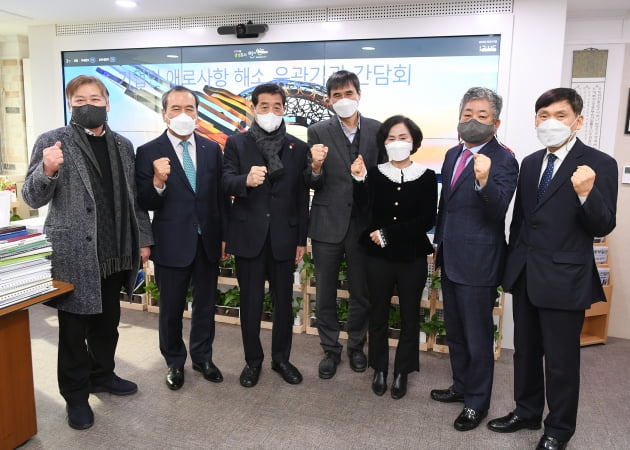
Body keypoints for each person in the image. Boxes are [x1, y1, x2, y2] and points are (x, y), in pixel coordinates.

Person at [487, 88, 618, 450]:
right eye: (543, 116)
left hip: (565, 276)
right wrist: (511, 267)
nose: (550, 123)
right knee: (526, 351)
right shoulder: (530, 162)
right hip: (527, 272)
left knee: (561, 360)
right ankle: (526, 411)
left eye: (560, 116)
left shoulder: (599, 163)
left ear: (578, 120)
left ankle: (559, 429)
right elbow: (523, 222)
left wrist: (586, 194)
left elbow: (603, 224)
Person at [21, 75, 153, 430]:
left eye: (95, 98)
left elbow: (132, 199)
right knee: (73, 330)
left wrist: (143, 238)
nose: (88, 105)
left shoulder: (124, 146)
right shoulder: (53, 142)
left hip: (115, 251)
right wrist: (48, 169)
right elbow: (32, 198)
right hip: (75, 253)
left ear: (108, 103)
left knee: (107, 326)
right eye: (79, 101)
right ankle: (76, 397)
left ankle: (103, 375)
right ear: (70, 105)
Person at [431, 87, 518, 431]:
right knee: (456, 332)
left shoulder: (505, 158)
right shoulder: (453, 154)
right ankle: (461, 386)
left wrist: (483, 181)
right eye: (468, 114)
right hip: (450, 256)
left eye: (482, 116)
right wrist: (438, 245)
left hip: (480, 262)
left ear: (496, 122)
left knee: (478, 337)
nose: (473, 121)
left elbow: (498, 210)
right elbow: (447, 205)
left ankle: (477, 403)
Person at [135, 86, 228, 391]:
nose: (183, 115)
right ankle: (175, 361)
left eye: (189, 109)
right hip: (171, 243)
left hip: (207, 242)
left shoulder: (212, 149)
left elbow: (219, 198)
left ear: (197, 113)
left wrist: (224, 236)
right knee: (171, 309)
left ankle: (202, 358)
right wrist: (158, 181)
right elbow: (145, 201)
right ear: (164, 114)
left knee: (205, 306)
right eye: (176, 109)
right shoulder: (148, 152)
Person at [222, 83, 310, 388]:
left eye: (277, 107)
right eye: (264, 106)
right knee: (251, 303)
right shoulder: (236, 143)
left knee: (284, 303)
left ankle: (281, 359)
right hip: (249, 237)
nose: (270, 112)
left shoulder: (298, 148)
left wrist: (302, 239)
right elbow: (225, 181)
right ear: (252, 108)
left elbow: (301, 196)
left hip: (285, 238)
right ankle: (253, 361)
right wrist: (244, 181)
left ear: (284, 109)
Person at [351, 115, 437, 399]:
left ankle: (402, 371)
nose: (397, 143)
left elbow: (427, 219)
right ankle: (380, 368)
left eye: (403, 138)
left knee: (410, 315)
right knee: (377, 313)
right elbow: (364, 210)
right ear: (383, 142)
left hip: (412, 256)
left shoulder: (425, 176)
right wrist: (359, 180)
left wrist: (389, 233)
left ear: (414, 142)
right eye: (391, 138)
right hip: (377, 257)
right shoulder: (375, 174)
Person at [306, 70, 384, 379]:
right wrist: (315, 166)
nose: (343, 100)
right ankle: (330, 349)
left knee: (360, 292)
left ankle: (355, 347)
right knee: (325, 291)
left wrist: (367, 177)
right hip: (327, 222)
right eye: (336, 95)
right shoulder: (317, 131)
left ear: (359, 95)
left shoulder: (378, 130)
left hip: (363, 224)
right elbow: (312, 180)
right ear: (328, 100)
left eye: (348, 93)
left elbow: (383, 178)